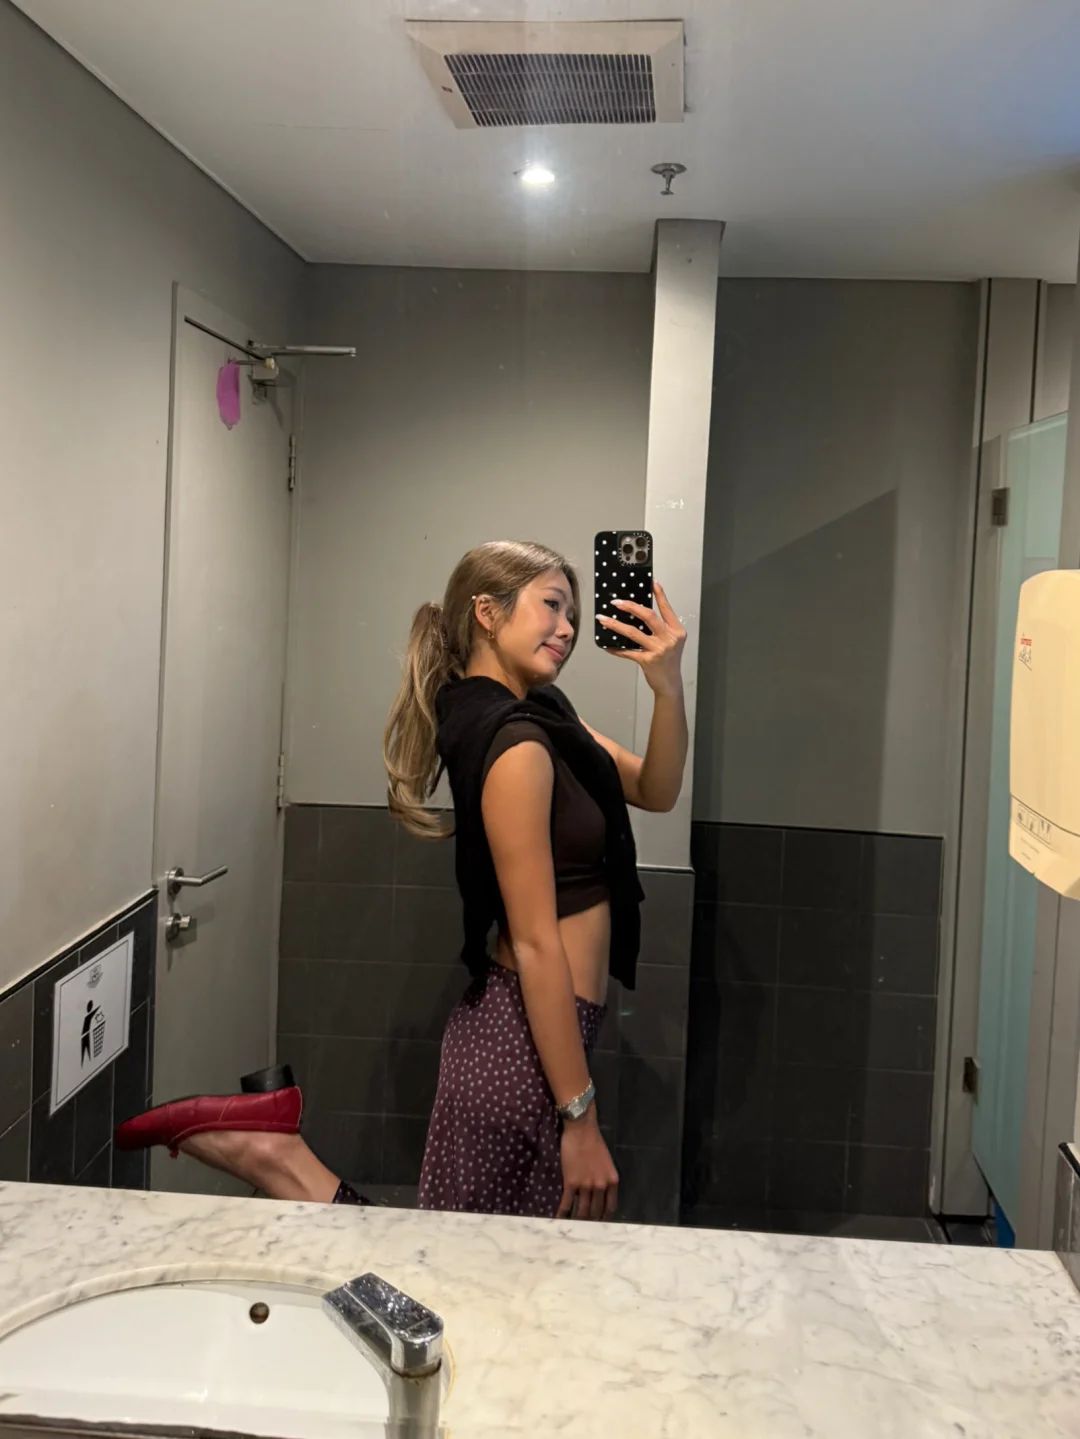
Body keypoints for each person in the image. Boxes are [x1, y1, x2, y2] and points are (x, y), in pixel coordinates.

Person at [115, 540, 687, 1220]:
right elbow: (535, 942)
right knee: (462, 1264)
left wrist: (667, 686)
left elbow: (655, 788)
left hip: (542, 1032)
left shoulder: (544, 714)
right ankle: (278, 1157)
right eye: (551, 605)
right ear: (487, 612)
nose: (567, 628)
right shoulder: (515, 742)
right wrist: (581, 1117)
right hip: (520, 1042)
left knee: (481, 1260)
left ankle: (276, 1150)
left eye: (573, 612)